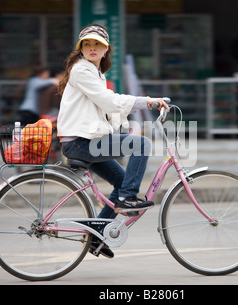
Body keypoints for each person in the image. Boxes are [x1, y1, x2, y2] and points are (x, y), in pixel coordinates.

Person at [57, 24, 169, 258]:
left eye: (98, 44)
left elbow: (108, 109)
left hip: (89, 140)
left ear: (106, 48)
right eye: (87, 44)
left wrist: (128, 122)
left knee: (121, 179)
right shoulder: (82, 70)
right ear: (80, 49)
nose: (92, 48)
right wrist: (146, 101)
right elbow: (108, 101)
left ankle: (95, 236)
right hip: (80, 142)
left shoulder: (96, 72)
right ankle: (128, 198)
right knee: (142, 144)